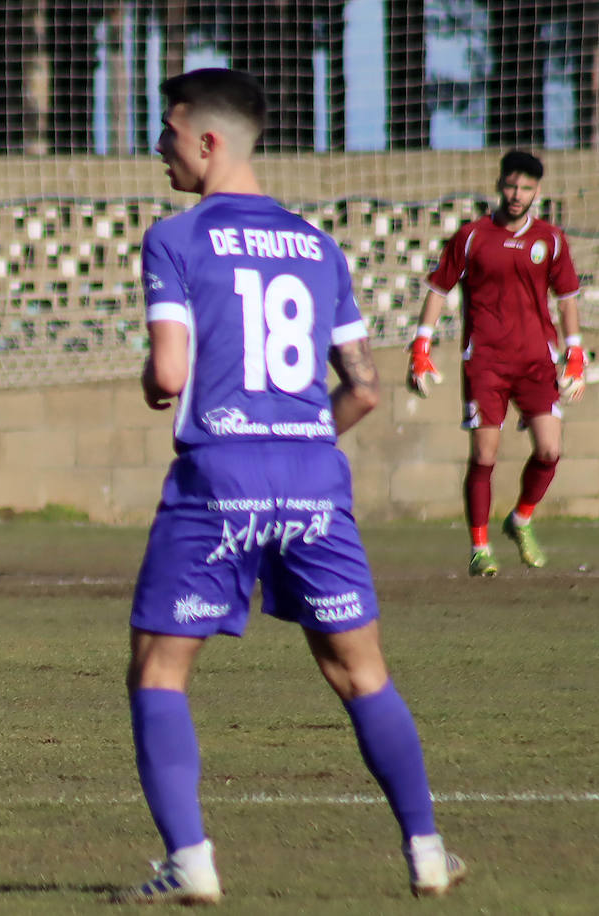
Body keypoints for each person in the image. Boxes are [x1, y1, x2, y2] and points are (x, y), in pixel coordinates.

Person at [116, 68, 466, 904]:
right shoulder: (317, 245)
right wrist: (299, 430)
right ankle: (425, 851)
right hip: (314, 472)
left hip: (220, 476)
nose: (157, 149)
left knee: (160, 672)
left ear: (209, 142)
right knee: (360, 672)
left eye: (167, 133)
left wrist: (155, 382)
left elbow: (169, 374)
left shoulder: (177, 237)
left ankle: (191, 861)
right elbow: (366, 386)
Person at [408, 150, 585, 578]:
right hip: (485, 362)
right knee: (485, 455)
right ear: (499, 184)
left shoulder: (552, 239)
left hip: (536, 361)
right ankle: (480, 547)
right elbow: (438, 289)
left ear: (537, 191)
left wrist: (575, 353)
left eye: (526, 188)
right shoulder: (471, 236)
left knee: (550, 449)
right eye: (510, 185)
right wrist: (421, 344)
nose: (517, 194)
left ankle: (521, 519)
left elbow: (566, 300)